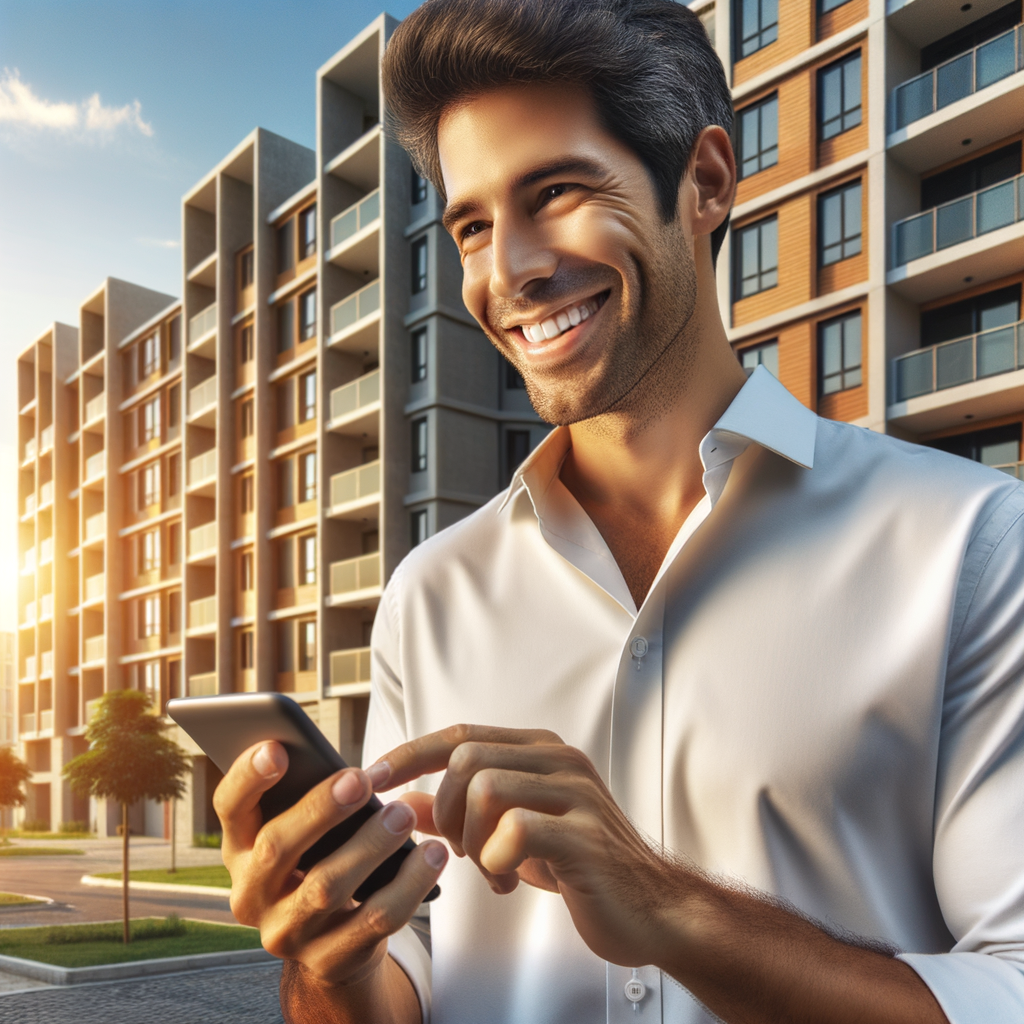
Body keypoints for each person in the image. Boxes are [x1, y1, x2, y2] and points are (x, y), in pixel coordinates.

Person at [213, 2, 1024, 1022]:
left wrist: (668, 908)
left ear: (707, 181)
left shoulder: (970, 545)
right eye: (473, 226)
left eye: (555, 192)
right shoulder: (432, 595)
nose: (511, 270)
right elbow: (402, 977)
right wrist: (332, 967)